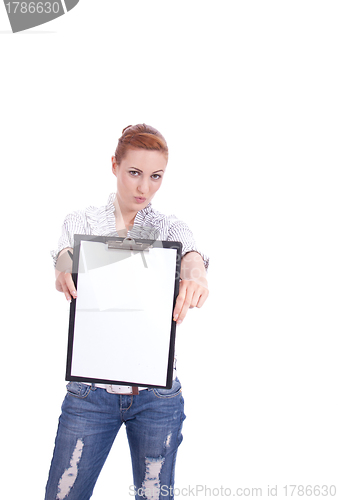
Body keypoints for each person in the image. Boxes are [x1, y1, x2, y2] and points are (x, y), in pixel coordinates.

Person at [45, 124, 209, 500]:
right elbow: (65, 253)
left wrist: (197, 273)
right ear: (115, 165)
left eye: (156, 177)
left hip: (157, 398)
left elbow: (192, 256)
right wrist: (65, 264)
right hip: (90, 394)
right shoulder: (82, 221)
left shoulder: (168, 227)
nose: (144, 188)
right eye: (135, 173)